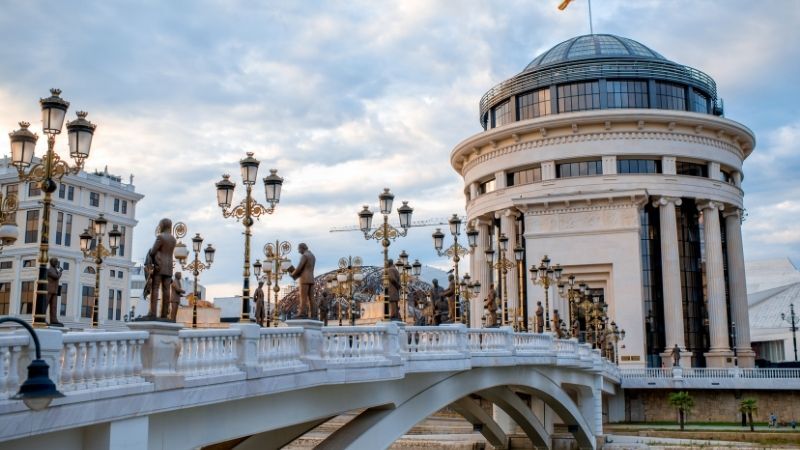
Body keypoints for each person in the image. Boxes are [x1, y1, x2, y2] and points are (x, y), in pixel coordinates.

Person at [149, 218, 177, 320]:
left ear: (162, 225)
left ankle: (153, 313)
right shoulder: (173, 239)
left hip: (159, 265)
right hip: (169, 267)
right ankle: (164, 314)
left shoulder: (160, 237)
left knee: (155, 288)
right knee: (166, 290)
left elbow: (153, 251)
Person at [289, 243, 316, 319]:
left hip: (304, 279)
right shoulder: (312, 256)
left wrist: (292, 274)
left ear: (302, 248)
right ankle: (314, 314)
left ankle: (302, 313)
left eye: (299, 249)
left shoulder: (304, 256)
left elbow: (299, 268)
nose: (298, 251)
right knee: (311, 298)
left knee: (303, 297)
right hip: (311, 278)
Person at [46, 257, 63, 327]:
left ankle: (53, 319)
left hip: (55, 291)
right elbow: (56, 277)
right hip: (49, 290)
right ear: (51, 262)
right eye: (55, 262)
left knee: (54, 306)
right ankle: (42, 318)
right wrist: (60, 272)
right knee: (45, 305)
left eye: (57, 262)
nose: (56, 263)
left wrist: (58, 271)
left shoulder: (55, 270)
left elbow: (57, 276)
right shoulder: (49, 270)